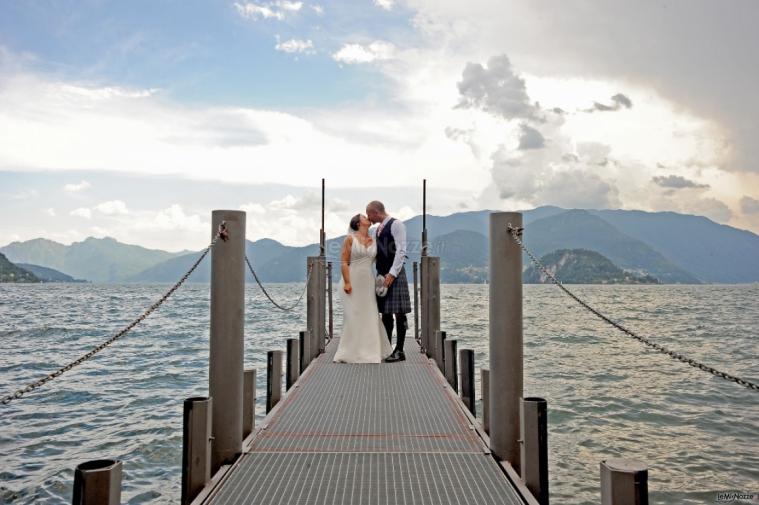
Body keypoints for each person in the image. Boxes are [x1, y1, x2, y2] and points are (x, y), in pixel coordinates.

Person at [333, 214, 394, 363]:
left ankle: (371, 351)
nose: (368, 218)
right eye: (364, 217)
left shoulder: (374, 240)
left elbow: (382, 259)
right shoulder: (349, 239)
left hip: (368, 282)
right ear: (358, 223)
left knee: (370, 313)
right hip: (352, 281)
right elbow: (343, 262)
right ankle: (351, 351)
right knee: (354, 315)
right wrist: (347, 282)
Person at [366, 200, 412, 362]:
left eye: (369, 214)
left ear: (376, 212)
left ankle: (400, 350)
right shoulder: (377, 229)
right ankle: (387, 348)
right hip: (381, 274)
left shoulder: (396, 224)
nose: (368, 217)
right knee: (385, 312)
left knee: (399, 313)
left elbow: (401, 251)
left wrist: (392, 274)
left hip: (395, 274)